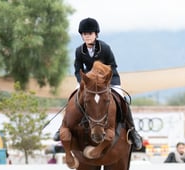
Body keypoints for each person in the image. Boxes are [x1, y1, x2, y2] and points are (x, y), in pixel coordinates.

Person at [54, 17, 142, 150]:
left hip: (108, 80)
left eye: (90, 33)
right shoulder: (79, 50)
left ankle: (133, 131)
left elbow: (113, 65)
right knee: (73, 97)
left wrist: (103, 79)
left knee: (123, 100)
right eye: (84, 34)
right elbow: (78, 69)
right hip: (88, 82)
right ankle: (63, 125)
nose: (87, 36)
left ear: (96, 34)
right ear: (82, 35)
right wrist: (83, 82)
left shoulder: (105, 48)